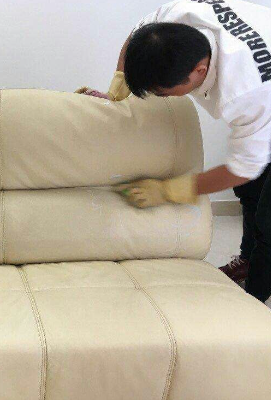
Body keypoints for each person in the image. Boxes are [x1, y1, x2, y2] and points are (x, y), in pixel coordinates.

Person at [77, 0, 271, 303]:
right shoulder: (179, 16)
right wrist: (117, 89)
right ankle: (247, 260)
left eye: (162, 93)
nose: (158, 97)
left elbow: (242, 168)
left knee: (268, 222)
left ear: (199, 71)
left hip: (265, 91)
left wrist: (168, 191)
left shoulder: (246, 93)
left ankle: (253, 301)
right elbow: (137, 37)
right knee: (250, 191)